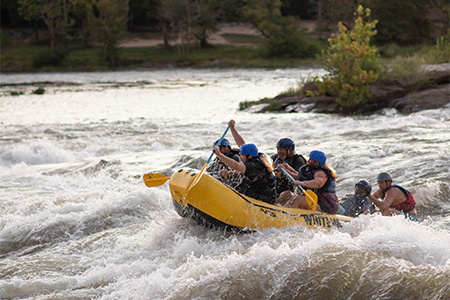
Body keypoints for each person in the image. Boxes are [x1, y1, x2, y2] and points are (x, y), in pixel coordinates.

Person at [212, 120, 276, 204]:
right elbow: (242, 145)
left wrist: (219, 154)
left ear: (249, 156)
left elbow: (236, 165)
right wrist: (232, 129)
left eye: (242, 155)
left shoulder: (254, 165)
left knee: (241, 185)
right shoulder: (255, 156)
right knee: (237, 182)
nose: (240, 157)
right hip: (259, 190)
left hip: (264, 197)